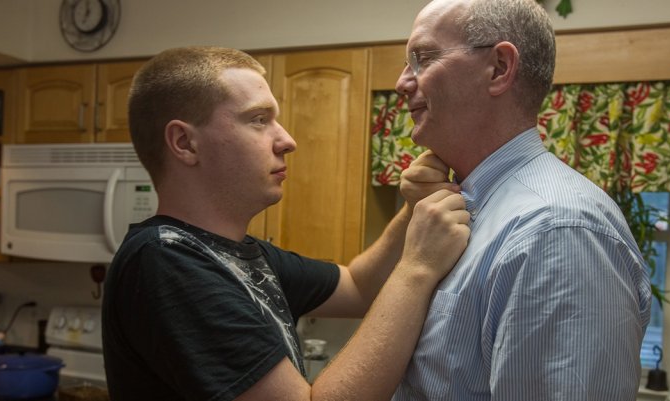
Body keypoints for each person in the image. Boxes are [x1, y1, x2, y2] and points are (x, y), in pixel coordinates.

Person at [101, 46, 471, 401]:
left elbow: (359, 287)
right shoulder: (166, 261)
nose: (287, 140)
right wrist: (417, 268)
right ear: (185, 142)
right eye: (259, 120)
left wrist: (412, 209)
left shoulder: (236, 253)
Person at [392, 0, 653, 400]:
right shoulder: (464, 208)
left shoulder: (556, 232)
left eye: (423, 58)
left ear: (498, 68)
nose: (402, 82)